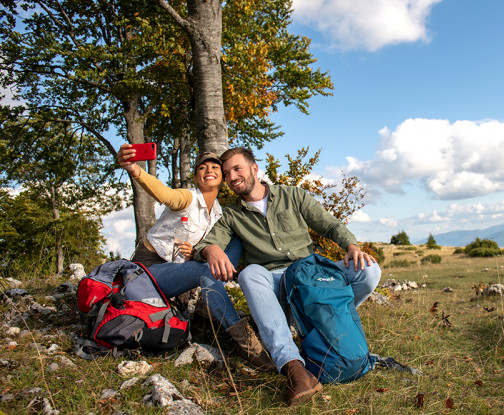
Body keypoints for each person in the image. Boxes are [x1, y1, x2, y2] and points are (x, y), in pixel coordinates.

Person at [193, 147, 381, 407]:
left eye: (237, 169)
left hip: (311, 276)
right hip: (275, 284)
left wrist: (352, 247)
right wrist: (210, 248)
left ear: (254, 169)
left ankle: (330, 329)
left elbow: (328, 224)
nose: (232, 177)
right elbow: (205, 244)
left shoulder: (292, 195)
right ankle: (294, 368)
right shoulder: (232, 214)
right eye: (226, 174)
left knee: (369, 270)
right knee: (250, 274)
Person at [116, 144, 274, 370]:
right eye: (202, 167)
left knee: (236, 238)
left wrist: (198, 252)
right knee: (205, 271)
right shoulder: (187, 198)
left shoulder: (219, 212)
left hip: (177, 272)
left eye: (214, 167)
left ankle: (212, 299)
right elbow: (165, 194)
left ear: (223, 178)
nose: (209, 170)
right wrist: (135, 170)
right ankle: (247, 343)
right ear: (196, 176)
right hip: (147, 274)